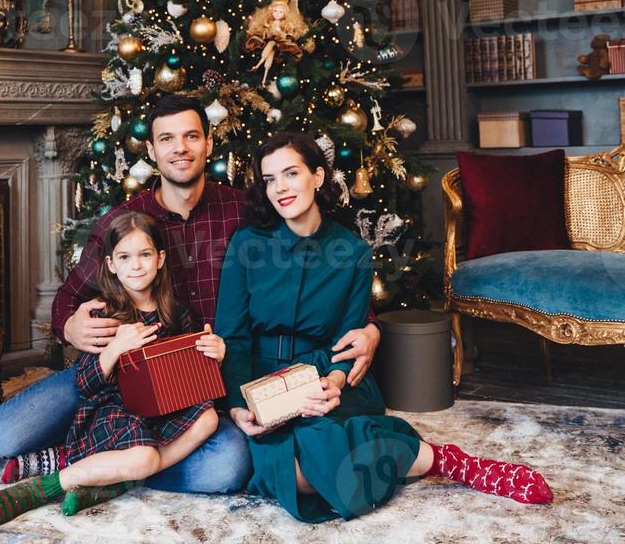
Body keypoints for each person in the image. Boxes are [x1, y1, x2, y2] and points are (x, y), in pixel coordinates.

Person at [0, 94, 383, 494]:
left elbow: (319, 275)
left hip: (196, 385)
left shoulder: (245, 212)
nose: (180, 149)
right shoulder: (122, 222)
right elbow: (67, 299)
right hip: (121, 375)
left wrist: (370, 329)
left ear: (209, 143)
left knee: (227, 469)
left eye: (191, 136)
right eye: (167, 139)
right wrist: (70, 325)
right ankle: (107, 455)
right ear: (151, 149)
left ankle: (97, 466)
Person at [215, 132, 554, 523]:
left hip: (322, 373)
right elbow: (233, 336)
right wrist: (239, 405)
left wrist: (335, 382)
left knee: (318, 452)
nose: (280, 188)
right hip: (264, 382)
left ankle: (451, 462)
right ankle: (423, 455)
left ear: (319, 176)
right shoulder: (246, 244)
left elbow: (347, 334)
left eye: (291, 173)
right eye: (270, 179)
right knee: (299, 477)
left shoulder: (353, 251)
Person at [0, 211, 226, 525]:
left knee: (207, 419)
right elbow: (84, 384)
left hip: (161, 410)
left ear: (161, 258)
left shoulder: (176, 314)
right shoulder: (104, 315)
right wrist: (113, 350)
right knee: (144, 457)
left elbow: (190, 375)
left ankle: (115, 479)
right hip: (114, 409)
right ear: (111, 264)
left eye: (145, 255)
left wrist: (212, 354)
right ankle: (51, 484)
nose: (136, 265)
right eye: (124, 257)